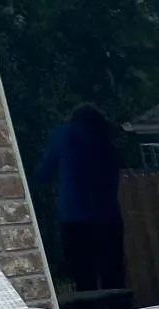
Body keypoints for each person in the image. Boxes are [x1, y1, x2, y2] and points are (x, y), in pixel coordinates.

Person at [35, 105, 126, 297]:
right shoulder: (105, 135)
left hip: (73, 217)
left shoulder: (62, 136)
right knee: (114, 274)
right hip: (107, 216)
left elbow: (42, 174)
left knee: (84, 277)